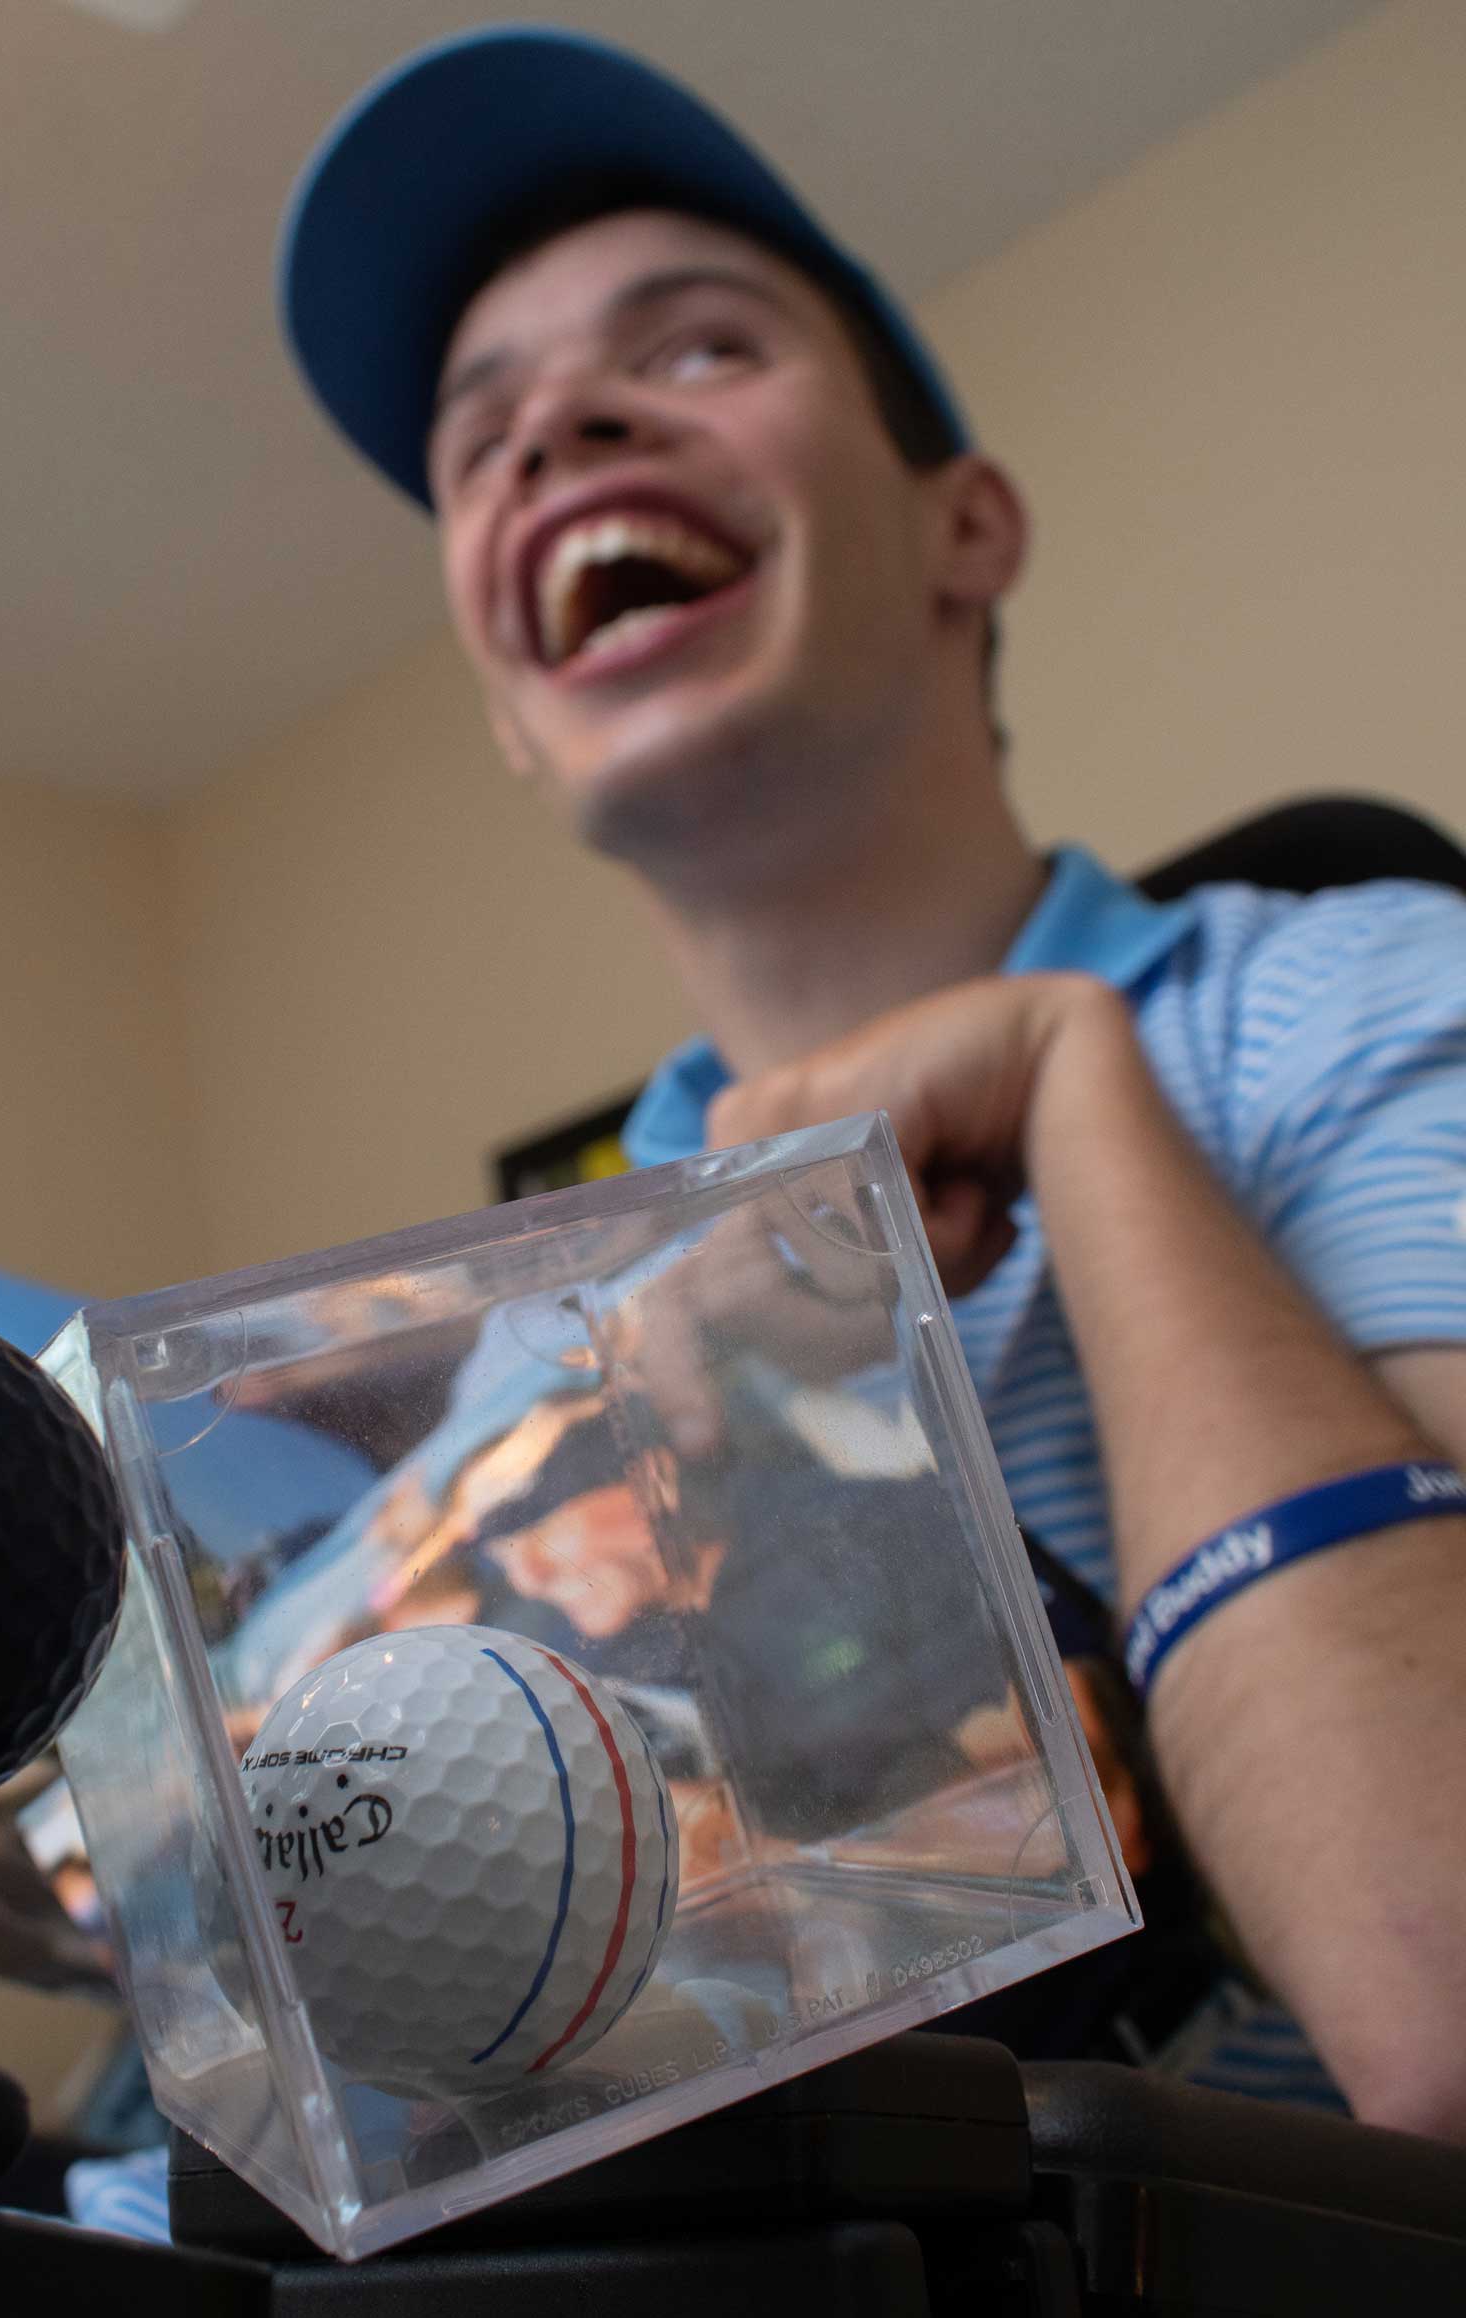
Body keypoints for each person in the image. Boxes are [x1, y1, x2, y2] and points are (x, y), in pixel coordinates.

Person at [272, 26, 1466, 2139]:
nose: (561, 425)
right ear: (511, 720)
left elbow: (1439, 1989)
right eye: (485, 442)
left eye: (701, 345)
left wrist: (1068, 1077)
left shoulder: (1367, 999)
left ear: (966, 526)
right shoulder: (511, 1373)